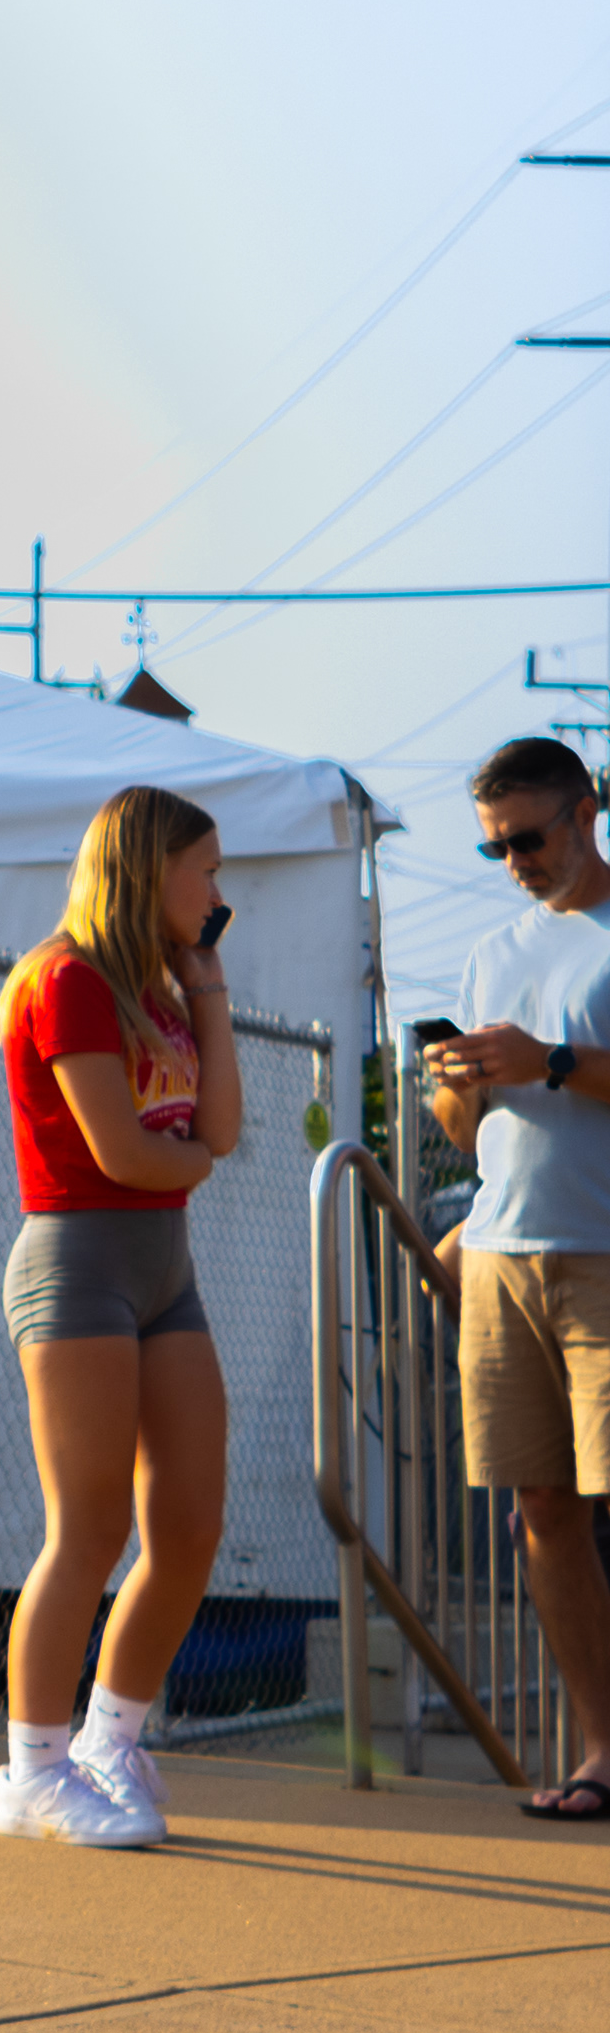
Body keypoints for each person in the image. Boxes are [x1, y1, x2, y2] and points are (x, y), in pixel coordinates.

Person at [0, 785, 243, 1848]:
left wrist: (209, 987)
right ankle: (32, 1772)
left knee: (187, 1525)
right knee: (89, 1526)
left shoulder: (161, 988)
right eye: (209, 872)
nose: (219, 893)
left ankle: (109, 1740)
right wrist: (186, 1162)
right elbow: (129, 1153)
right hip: (79, 1264)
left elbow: (220, 1128)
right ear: (152, 873)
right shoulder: (67, 979)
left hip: (161, 1270)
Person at [422, 737, 610, 1824]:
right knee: (544, 1510)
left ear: (587, 813)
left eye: (529, 839)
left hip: (601, 1256)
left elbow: (556, 1068)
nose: (514, 863)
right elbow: (468, 1134)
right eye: (495, 846)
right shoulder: (494, 950)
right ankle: (602, 1751)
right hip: (503, 1253)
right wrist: (459, 1081)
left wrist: (548, 1060)